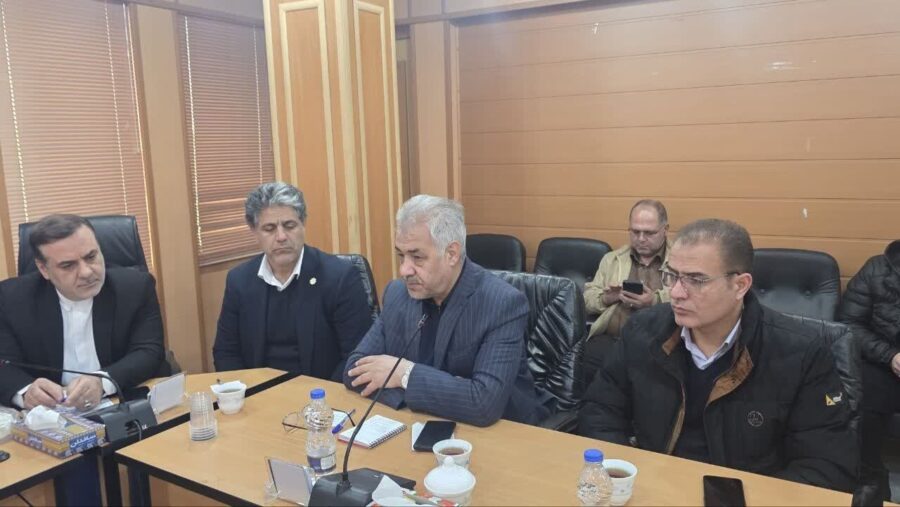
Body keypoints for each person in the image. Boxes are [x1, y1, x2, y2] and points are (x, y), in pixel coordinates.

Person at [578, 218, 856, 492]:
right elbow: (601, 410)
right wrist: (627, 478)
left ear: (740, 285)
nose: (676, 292)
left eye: (696, 280)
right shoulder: (643, 331)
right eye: (672, 276)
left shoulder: (801, 353)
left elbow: (826, 466)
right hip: (651, 486)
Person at [343, 194, 550, 427]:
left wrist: (404, 374)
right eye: (401, 255)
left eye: (417, 257)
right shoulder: (397, 294)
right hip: (419, 425)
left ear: (451, 254)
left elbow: (484, 404)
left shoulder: (502, 303)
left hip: (502, 433)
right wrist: (426, 395)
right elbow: (354, 370)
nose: (404, 270)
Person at [0, 214, 164, 410]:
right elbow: (4, 365)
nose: (86, 272)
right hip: (52, 414)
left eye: (91, 257)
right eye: (68, 265)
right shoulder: (11, 299)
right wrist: (26, 392)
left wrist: (102, 382)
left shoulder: (135, 287)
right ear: (43, 269)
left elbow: (149, 352)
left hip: (123, 403)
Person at [212, 182, 372, 381]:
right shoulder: (239, 281)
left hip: (322, 393)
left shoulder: (340, 277)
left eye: (289, 226)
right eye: (269, 229)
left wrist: (322, 396)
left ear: (303, 224)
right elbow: (226, 351)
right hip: (258, 393)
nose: (281, 237)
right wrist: (244, 391)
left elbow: (357, 355)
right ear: (254, 231)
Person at [581, 199, 671, 385]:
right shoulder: (612, 260)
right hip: (612, 339)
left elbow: (693, 299)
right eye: (635, 232)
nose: (641, 238)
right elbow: (586, 301)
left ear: (665, 230)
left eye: (649, 233)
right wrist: (607, 298)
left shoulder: (681, 260)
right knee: (588, 363)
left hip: (660, 343)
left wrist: (654, 301)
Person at [838, 239, 900, 502]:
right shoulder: (877, 269)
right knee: (862, 397)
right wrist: (890, 356)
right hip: (884, 362)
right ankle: (872, 481)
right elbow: (848, 324)